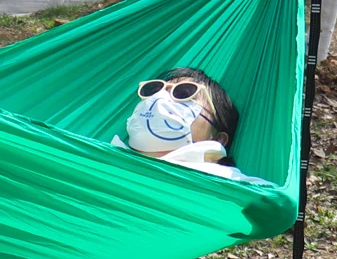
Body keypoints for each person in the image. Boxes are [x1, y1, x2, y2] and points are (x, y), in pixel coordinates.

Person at [111, 67, 264, 182]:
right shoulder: (101, 163)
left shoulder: (237, 187)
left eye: (184, 93)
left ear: (217, 139)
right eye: (153, 90)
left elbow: (281, 211)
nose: (160, 98)